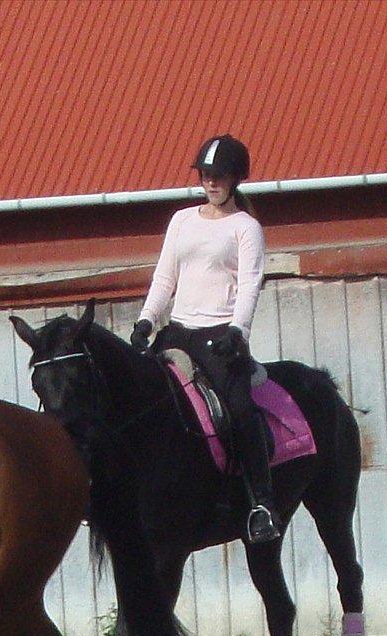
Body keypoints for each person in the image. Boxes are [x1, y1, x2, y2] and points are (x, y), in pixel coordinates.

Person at [130, 134, 279, 545]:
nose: (211, 183)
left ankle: (260, 503)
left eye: (219, 177)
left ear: (235, 180)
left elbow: (250, 285)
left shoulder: (246, 228)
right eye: (206, 176)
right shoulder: (181, 220)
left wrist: (239, 331)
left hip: (221, 337)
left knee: (239, 410)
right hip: (177, 330)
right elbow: (165, 277)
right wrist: (146, 320)